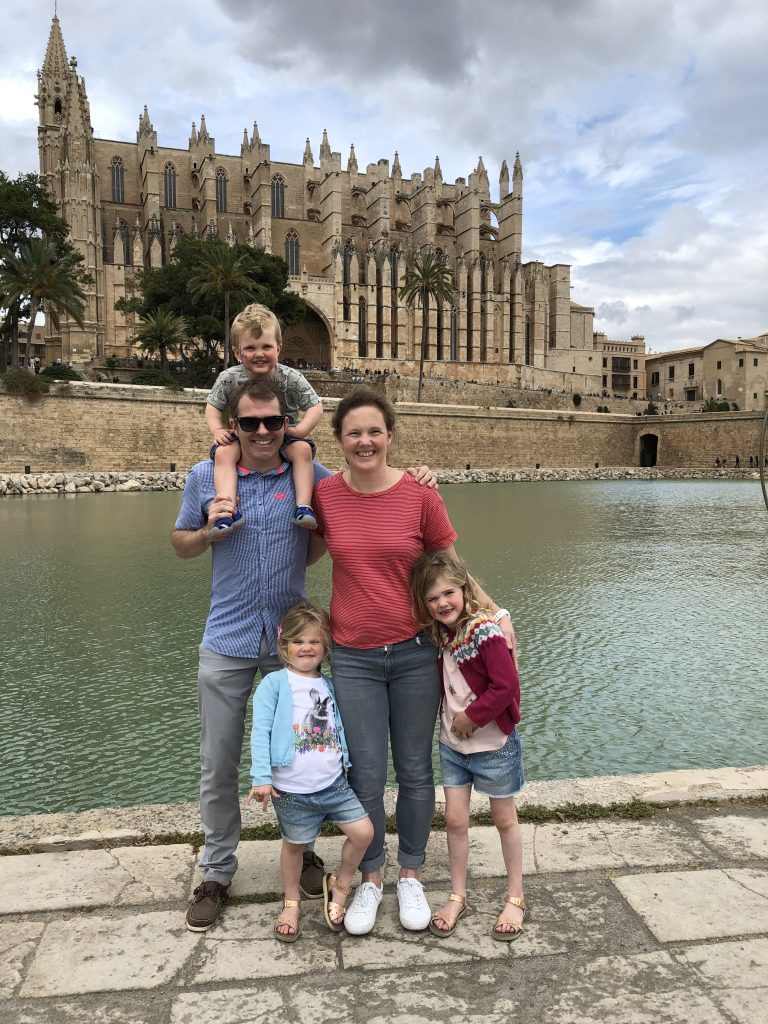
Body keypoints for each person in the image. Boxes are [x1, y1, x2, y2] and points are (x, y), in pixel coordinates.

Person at [172, 378, 436, 932]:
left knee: (306, 757)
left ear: (287, 423)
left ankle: (307, 849)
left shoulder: (312, 478)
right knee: (219, 764)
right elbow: (179, 543)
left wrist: (419, 477)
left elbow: (359, 503)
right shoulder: (206, 477)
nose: (263, 432)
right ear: (235, 426)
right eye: (251, 423)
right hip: (227, 640)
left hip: (295, 649)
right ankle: (217, 871)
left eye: (273, 422)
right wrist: (205, 536)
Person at [311, 388, 515, 936]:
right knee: (368, 772)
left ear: (391, 435)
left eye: (374, 430)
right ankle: (372, 875)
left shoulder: (419, 494)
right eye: (353, 432)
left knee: (416, 768)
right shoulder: (326, 495)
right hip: (352, 654)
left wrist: (493, 613)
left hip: (415, 651)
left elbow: (449, 565)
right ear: (339, 440)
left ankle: (411, 873)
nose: (364, 441)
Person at [411, 551, 526, 941]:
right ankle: (457, 894)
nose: (443, 602)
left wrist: (472, 717)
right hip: (453, 747)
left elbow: (506, 685)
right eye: (432, 598)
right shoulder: (442, 634)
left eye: (449, 593)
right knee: (456, 820)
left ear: (464, 589)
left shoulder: (484, 632)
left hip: (493, 744)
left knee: (504, 819)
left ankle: (516, 895)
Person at [247, 603, 373, 942]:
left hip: (333, 785)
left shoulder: (329, 685)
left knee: (364, 833)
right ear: (284, 644)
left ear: (326, 646)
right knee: (294, 845)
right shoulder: (274, 683)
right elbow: (260, 731)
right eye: (298, 641)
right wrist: (261, 777)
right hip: (291, 790)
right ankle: (291, 901)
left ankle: (340, 883)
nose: (306, 648)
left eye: (314, 642)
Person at [205, 303, 322, 535]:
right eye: (251, 348)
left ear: (279, 348)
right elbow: (212, 408)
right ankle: (228, 510)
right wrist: (218, 431)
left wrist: (299, 433)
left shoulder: (291, 377)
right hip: (246, 436)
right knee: (223, 453)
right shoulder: (228, 378)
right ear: (238, 352)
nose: (259, 354)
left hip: (284, 434)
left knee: (302, 452)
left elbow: (316, 407)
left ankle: (303, 506)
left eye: (266, 346)